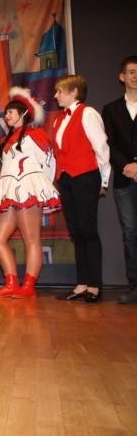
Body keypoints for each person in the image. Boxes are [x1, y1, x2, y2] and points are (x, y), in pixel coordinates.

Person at [0, 87, 61, 298]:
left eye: (11, 112)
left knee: (31, 239)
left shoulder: (36, 135)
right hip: (9, 192)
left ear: (24, 113)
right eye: (6, 113)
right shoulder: (6, 140)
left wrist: (40, 187)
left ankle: (28, 286)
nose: (7, 116)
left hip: (29, 190)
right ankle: (11, 283)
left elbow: (49, 162)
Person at [53, 74, 110, 303]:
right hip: (67, 179)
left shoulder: (88, 113)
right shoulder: (59, 120)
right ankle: (82, 284)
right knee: (76, 232)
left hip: (85, 177)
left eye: (60, 91)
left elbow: (101, 147)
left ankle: (94, 286)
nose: (56, 95)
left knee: (88, 231)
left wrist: (104, 180)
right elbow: (59, 153)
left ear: (74, 92)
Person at [102, 55, 137, 304]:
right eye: (131, 72)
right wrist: (126, 165)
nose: (136, 76)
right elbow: (109, 144)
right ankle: (135, 287)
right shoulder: (111, 109)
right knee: (130, 234)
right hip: (125, 181)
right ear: (122, 77)